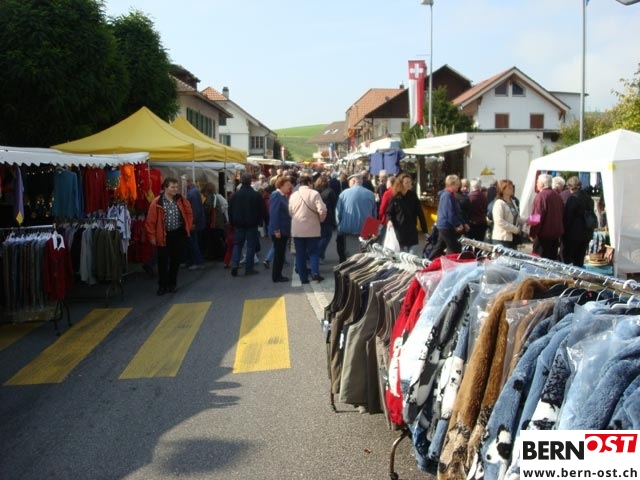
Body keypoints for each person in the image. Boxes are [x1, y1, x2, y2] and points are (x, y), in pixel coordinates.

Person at [145, 177, 194, 295]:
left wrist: (187, 226)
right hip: (163, 235)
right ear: (165, 188)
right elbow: (150, 221)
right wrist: (152, 236)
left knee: (175, 261)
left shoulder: (181, 200)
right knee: (162, 261)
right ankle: (162, 285)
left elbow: (189, 213)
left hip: (178, 234)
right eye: (172, 187)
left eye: (176, 187)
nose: (175, 189)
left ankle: (172, 284)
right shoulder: (157, 202)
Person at [288, 174, 327, 283]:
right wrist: (320, 220)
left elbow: (290, 211)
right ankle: (315, 273)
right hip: (312, 228)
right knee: (313, 252)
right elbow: (322, 210)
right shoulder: (314, 193)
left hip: (297, 229)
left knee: (300, 254)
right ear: (310, 183)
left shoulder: (294, 195)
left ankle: (303, 278)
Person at [228, 173, 266, 276]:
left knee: (238, 244)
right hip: (252, 224)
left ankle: (235, 264)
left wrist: (232, 222)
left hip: (238, 224)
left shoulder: (235, 195)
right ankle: (249, 268)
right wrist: (261, 222)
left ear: (241, 181)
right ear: (250, 182)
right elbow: (262, 210)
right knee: (250, 246)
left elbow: (230, 210)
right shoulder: (256, 195)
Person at [335, 173, 377, 262]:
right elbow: (374, 214)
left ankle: (343, 263)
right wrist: (373, 231)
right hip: (366, 230)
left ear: (353, 181)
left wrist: (339, 226)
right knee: (364, 255)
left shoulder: (344, 193)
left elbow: (338, 213)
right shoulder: (370, 194)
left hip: (347, 228)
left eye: (349, 182)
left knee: (344, 251)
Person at [385, 173, 428, 255]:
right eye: (406, 182)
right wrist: (389, 220)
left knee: (412, 256)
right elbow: (389, 212)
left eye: (410, 182)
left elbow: (420, 213)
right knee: (402, 256)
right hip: (399, 231)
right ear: (400, 184)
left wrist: (425, 230)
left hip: (411, 230)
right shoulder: (395, 197)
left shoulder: (413, 196)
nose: (409, 184)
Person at [430, 174, 469, 258]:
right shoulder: (447, 195)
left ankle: (430, 261)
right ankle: (449, 263)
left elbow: (457, 212)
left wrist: (463, 222)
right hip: (446, 226)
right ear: (452, 184)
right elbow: (449, 213)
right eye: (457, 184)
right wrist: (457, 224)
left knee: (439, 247)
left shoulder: (451, 195)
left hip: (444, 225)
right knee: (454, 248)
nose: (458, 186)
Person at [529, 173, 564, 260]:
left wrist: (532, 233)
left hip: (543, 237)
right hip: (555, 236)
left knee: (538, 262)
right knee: (551, 263)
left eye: (537, 182)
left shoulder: (541, 196)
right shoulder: (557, 196)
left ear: (542, 184)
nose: (536, 184)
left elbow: (536, 217)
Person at [561, 176, 595, 266]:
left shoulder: (573, 199)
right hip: (586, 233)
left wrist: (563, 232)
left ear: (570, 187)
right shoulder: (588, 198)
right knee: (579, 260)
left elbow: (568, 218)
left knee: (567, 260)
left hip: (574, 234)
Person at [268, 176, 293, 282]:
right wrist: (276, 230)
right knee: (279, 255)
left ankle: (278, 275)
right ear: (281, 186)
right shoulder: (276, 195)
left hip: (283, 229)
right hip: (279, 230)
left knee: (280, 254)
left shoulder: (282, 196)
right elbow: (274, 214)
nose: (289, 187)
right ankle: (277, 276)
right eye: (287, 185)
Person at [491, 179, 523, 249]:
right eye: (509, 187)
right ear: (503, 190)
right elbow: (499, 221)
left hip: (513, 238)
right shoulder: (499, 203)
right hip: (502, 239)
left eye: (512, 187)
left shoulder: (513, 202)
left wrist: (527, 220)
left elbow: (516, 217)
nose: (512, 189)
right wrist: (515, 229)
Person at [315, 175, 338, 263]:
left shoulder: (315, 191)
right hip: (328, 217)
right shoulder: (330, 191)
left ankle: (319, 255)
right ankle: (319, 255)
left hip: (316, 216)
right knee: (326, 236)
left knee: (319, 237)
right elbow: (334, 205)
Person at [185, 178, 205, 270]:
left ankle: (197, 262)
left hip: (192, 222)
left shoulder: (191, 193)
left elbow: (195, 210)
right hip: (194, 221)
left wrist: (193, 222)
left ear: (188, 182)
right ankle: (192, 261)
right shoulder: (194, 192)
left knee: (192, 242)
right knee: (192, 242)